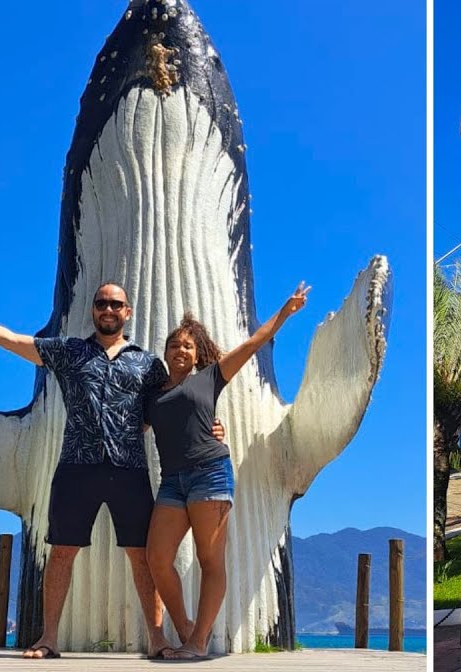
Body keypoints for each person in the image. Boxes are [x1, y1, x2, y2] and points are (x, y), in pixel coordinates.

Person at [0, 281, 223, 659]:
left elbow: (173, 404)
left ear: (127, 312)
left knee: (142, 555)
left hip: (129, 468)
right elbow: (16, 342)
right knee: (62, 552)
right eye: (102, 303)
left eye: (116, 304)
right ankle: (48, 637)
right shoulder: (70, 351)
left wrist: (212, 426)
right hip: (76, 467)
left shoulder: (147, 363)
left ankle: (157, 638)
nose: (108, 309)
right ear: (94, 310)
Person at [145, 282, 310, 660]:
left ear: (197, 352)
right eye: (174, 344)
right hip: (171, 482)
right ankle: (187, 629)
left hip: (209, 474)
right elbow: (134, 427)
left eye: (187, 345)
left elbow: (253, 344)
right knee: (157, 557)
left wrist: (286, 311)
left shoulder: (210, 377)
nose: (180, 350)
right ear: (166, 351)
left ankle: (198, 643)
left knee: (209, 559)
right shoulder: (152, 395)